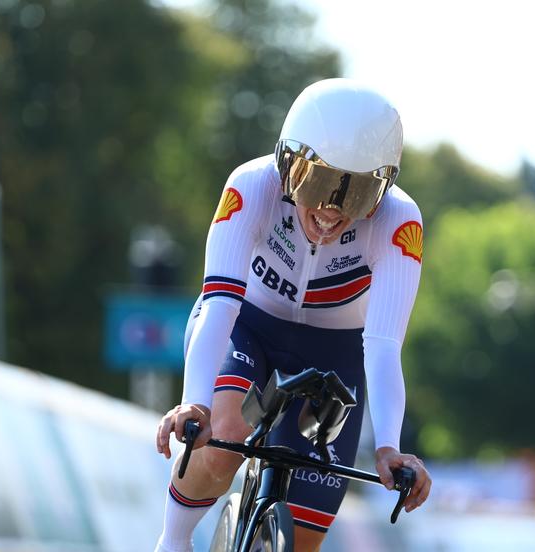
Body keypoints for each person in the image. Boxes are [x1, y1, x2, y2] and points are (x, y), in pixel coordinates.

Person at [154, 78, 431, 552]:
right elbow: (220, 301)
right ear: (286, 164)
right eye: (318, 181)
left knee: (300, 542)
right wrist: (193, 401)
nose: (330, 209)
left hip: (334, 352)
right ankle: (174, 539)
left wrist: (389, 446)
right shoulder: (250, 185)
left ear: (383, 190)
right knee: (223, 436)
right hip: (248, 324)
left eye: (357, 193)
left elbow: (383, 346)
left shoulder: (399, 222)